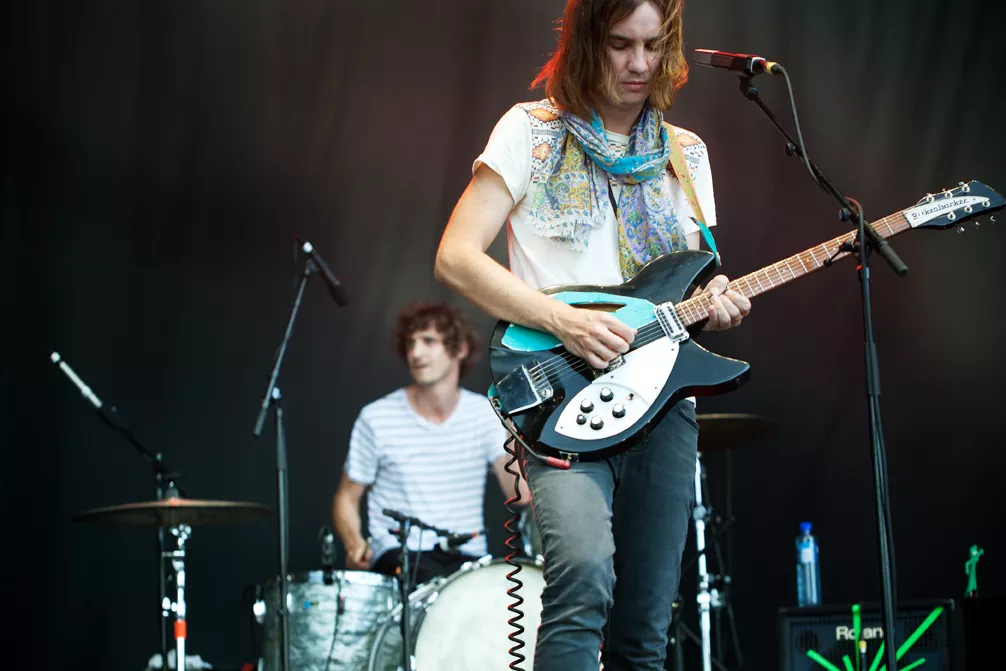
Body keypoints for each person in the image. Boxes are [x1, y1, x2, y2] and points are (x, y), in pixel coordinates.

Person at [434, 0, 751, 668]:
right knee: (583, 579)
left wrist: (717, 301)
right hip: (560, 394)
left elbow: (692, 284)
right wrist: (562, 320)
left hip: (664, 407)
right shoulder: (530, 132)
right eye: (620, 45)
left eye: (654, 45)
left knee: (644, 623)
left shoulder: (685, 155)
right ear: (584, 43)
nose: (640, 64)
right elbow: (456, 256)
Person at [332, 300, 524, 585]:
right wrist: (354, 543)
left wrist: (523, 434)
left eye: (428, 341)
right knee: (430, 589)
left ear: (460, 349)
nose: (415, 353)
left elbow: (520, 495)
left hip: (468, 558)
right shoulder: (377, 417)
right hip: (400, 554)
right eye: (410, 344)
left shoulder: (485, 414)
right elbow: (346, 498)